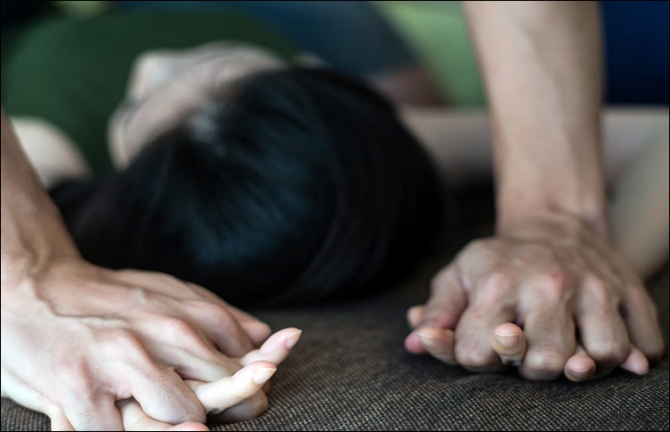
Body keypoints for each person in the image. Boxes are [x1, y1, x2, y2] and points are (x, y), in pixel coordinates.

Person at [1, 2, 666, 431]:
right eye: (227, 70)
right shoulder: (349, 150)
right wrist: (588, 277)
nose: (152, 63)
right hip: (305, 36)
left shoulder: (52, 149)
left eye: (139, 108)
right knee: (404, 87)